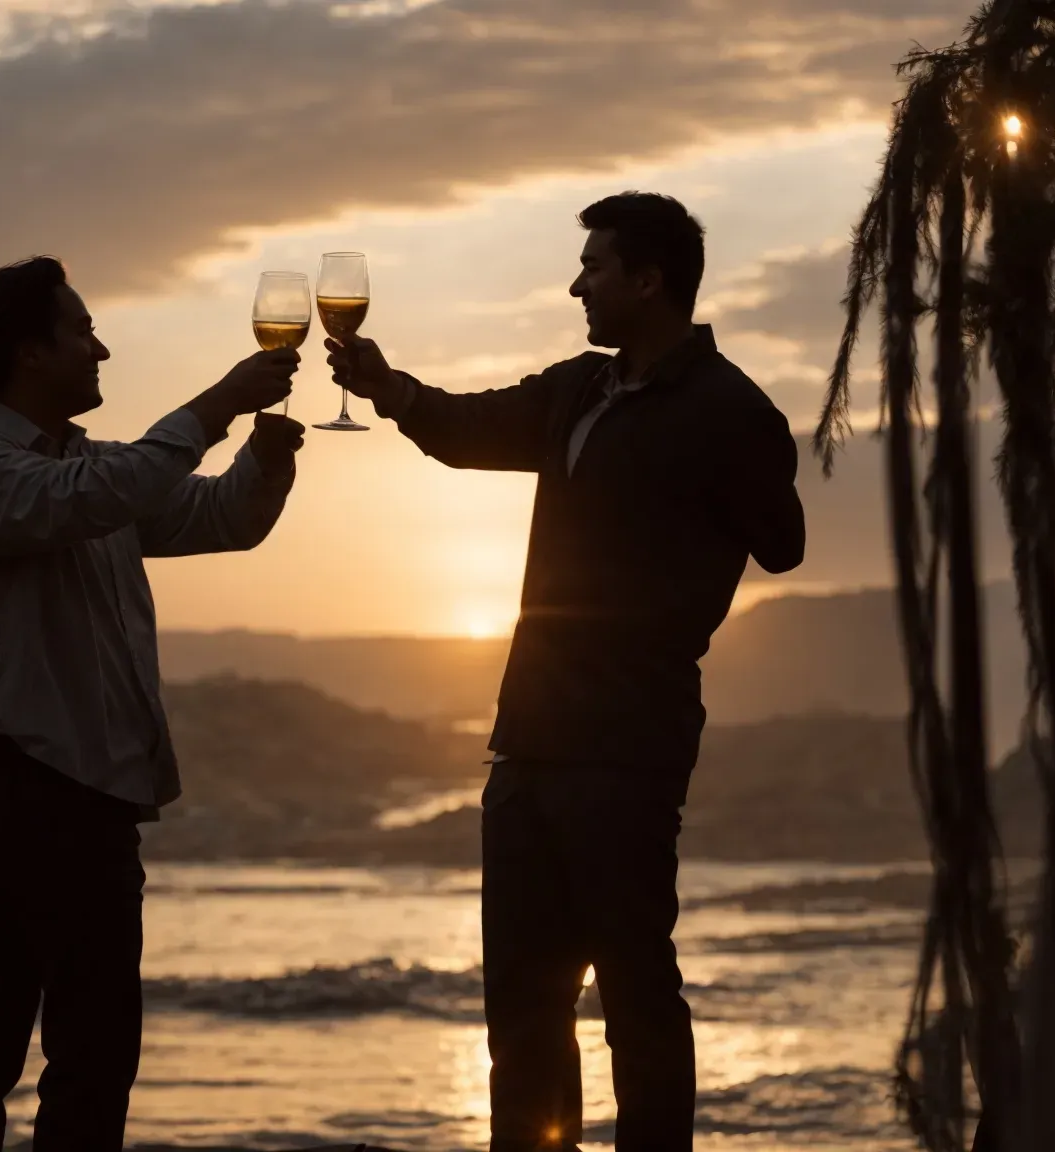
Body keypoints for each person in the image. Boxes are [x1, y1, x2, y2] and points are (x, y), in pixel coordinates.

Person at [326, 192, 806, 1150]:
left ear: (648, 279)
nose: (576, 284)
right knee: (524, 1009)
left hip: (630, 750)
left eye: (594, 267)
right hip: (528, 745)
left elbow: (782, 542)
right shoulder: (578, 388)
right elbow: (467, 431)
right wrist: (388, 387)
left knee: (637, 998)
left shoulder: (731, 409)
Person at [0, 255, 304, 1150]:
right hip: (12, 796)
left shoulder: (85, 471)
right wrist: (220, 402)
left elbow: (217, 521)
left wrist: (267, 453)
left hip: (87, 801)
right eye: (83, 331)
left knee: (93, 1053)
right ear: (28, 352)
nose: (103, 350)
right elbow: (101, 495)